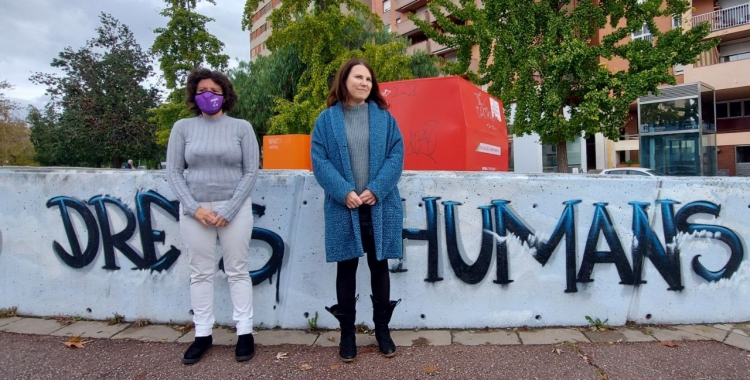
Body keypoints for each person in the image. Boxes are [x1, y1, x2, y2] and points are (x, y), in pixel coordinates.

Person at [311, 58, 405, 362]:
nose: (364, 83)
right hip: (344, 207)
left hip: (379, 205)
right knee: (346, 267)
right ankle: (348, 333)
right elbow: (319, 160)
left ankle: (382, 330)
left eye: (368, 79)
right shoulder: (326, 120)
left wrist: (376, 189)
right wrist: (344, 192)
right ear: (344, 80)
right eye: (358, 77)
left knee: (380, 266)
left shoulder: (385, 119)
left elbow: (396, 156)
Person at [166, 68, 260, 365]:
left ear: (225, 96)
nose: (209, 95)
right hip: (196, 211)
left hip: (235, 208)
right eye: (203, 90)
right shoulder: (182, 128)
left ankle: (245, 331)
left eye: (215, 91)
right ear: (194, 94)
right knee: (201, 272)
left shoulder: (242, 127)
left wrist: (229, 209)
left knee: (237, 270)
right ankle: (202, 333)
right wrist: (195, 208)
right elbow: (173, 171)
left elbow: (251, 170)